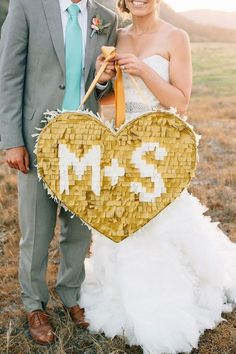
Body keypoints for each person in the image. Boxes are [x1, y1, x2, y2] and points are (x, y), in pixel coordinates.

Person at [80, 1, 236, 353]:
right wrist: (104, 79)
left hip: (157, 145)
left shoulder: (176, 36)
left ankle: (164, 298)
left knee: (158, 223)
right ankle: (122, 290)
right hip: (119, 142)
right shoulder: (114, 36)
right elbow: (106, 102)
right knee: (122, 221)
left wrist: (144, 72)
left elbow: (180, 102)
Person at [0, 0, 117, 346]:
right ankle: (35, 304)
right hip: (36, 138)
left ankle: (71, 295)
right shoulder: (27, 6)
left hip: (86, 141)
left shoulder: (106, 18)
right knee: (36, 229)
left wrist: (102, 81)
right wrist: (11, 140)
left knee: (78, 228)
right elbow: (9, 74)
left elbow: (105, 89)